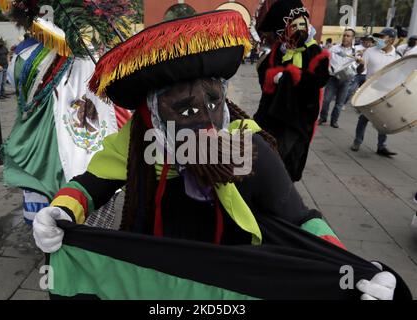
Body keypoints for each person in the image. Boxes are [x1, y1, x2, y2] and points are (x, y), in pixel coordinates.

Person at [31, 10, 396, 300]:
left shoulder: (245, 143)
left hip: (230, 276)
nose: (205, 121)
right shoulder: (137, 141)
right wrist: (60, 210)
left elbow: (300, 218)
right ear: (152, 113)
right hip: (154, 274)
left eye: (212, 101)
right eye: (184, 107)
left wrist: (349, 268)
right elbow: (91, 184)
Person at [253, 0, 331, 182]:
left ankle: (281, 193)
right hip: (271, 113)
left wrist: (293, 76)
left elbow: (320, 79)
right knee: (263, 153)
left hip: (297, 118)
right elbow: (264, 75)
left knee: (286, 161)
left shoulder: (314, 52)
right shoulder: (278, 51)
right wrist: (274, 75)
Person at [350, 28, 401, 157]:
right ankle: (357, 141)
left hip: (386, 92)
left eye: (381, 37)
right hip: (370, 90)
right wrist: (361, 64)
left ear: (391, 39)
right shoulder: (370, 51)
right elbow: (360, 69)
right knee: (364, 118)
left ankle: (381, 146)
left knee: (383, 119)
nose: (378, 39)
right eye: (377, 37)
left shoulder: (397, 56)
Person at [319, 29, 361, 128]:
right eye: (344, 35)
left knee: (339, 103)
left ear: (352, 38)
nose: (345, 37)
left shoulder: (356, 52)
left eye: (348, 36)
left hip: (346, 80)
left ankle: (334, 121)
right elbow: (326, 60)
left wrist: (359, 62)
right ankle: (323, 117)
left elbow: (357, 69)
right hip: (332, 78)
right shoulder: (334, 48)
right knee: (326, 100)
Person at [344, 35, 375, 105]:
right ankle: (343, 103)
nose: (368, 42)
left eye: (370, 40)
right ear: (363, 40)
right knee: (351, 89)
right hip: (357, 72)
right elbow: (350, 57)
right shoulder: (357, 48)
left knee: (362, 92)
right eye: (366, 40)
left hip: (367, 74)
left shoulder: (373, 50)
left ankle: (359, 105)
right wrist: (360, 54)